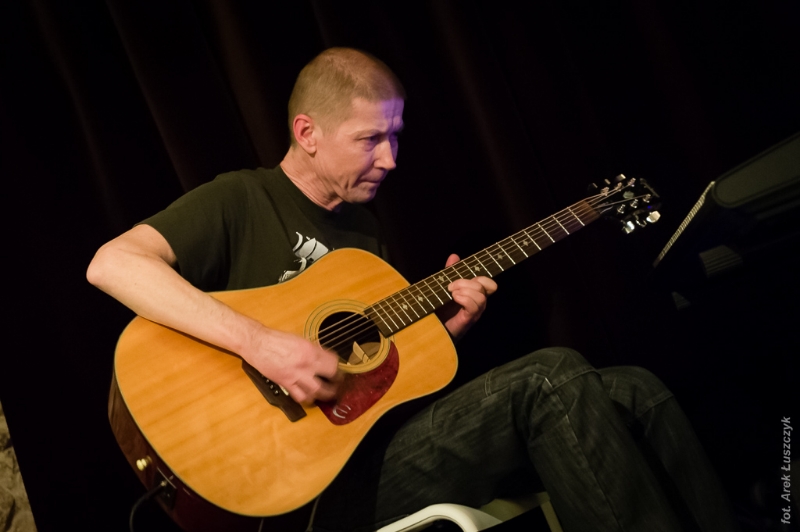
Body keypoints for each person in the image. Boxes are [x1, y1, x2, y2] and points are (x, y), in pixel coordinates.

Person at [87, 47, 738, 532]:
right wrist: (261, 343)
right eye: (369, 139)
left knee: (634, 389)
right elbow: (113, 264)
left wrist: (440, 336)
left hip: (372, 459)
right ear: (307, 134)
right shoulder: (242, 199)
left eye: (394, 137)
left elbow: (368, 394)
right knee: (551, 375)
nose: (390, 159)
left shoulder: (362, 234)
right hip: (303, 498)